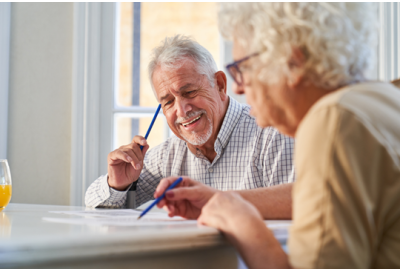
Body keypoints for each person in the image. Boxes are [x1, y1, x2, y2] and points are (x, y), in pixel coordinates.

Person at [156, 3, 400, 268]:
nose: (237, 88)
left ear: (292, 63)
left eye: (242, 68)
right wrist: (222, 200)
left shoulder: (332, 120)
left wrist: (243, 224)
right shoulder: (381, 99)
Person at [85, 35, 295, 220]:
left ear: (220, 85)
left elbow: (300, 210)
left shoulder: (272, 136)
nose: (182, 110)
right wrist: (118, 185)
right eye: (168, 102)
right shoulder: (168, 155)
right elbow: (94, 204)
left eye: (189, 92)